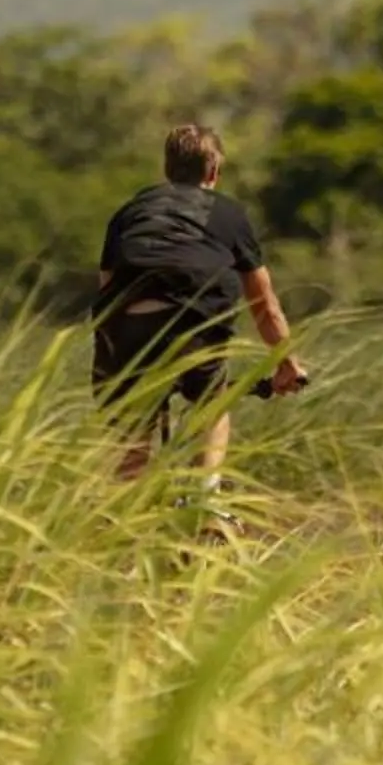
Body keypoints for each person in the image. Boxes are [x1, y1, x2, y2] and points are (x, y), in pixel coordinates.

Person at [92, 123, 307, 491]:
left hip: (124, 334)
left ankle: (123, 521)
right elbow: (265, 305)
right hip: (194, 328)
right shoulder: (227, 214)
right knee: (213, 408)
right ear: (214, 171)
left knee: (132, 438)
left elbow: (108, 287)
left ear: (167, 168)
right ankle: (206, 505)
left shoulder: (131, 212)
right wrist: (287, 364)